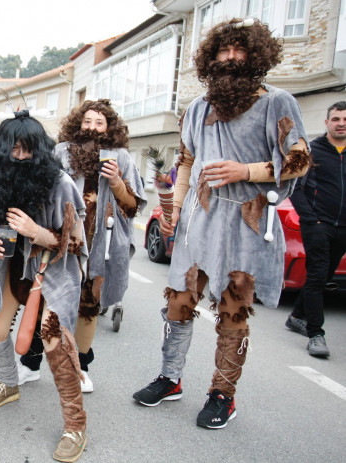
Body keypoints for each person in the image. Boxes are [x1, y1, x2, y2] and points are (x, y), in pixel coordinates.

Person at [131, 19, 310, 429]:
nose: (229, 58)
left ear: (255, 56)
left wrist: (245, 170)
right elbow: (186, 162)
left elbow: (298, 160)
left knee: (232, 310)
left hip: (246, 221)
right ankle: (170, 377)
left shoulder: (277, 102)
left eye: (238, 51)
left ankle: (222, 395)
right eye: (222, 51)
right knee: (178, 302)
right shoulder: (198, 107)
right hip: (200, 215)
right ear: (211, 58)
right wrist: (174, 210)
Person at [0, 111, 88, 462]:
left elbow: (78, 243)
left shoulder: (61, 183)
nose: (20, 158)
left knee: (53, 340)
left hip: (54, 269)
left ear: (40, 151)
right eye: (14, 150)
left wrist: (36, 232)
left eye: (28, 151)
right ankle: (9, 383)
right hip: (10, 267)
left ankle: (75, 424)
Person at [18, 100, 146, 393]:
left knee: (88, 306)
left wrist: (116, 182)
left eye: (99, 123)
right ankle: (30, 364)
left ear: (109, 128)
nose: (92, 127)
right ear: (78, 124)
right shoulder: (60, 151)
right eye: (87, 121)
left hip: (101, 245)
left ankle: (81, 368)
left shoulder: (122, 158)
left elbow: (132, 206)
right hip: (61, 242)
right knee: (46, 298)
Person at [286, 101, 346, 358]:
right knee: (318, 275)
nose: (341, 123)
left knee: (324, 276)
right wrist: (311, 220)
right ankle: (315, 333)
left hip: (343, 228)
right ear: (327, 122)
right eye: (336, 119)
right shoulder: (313, 151)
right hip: (318, 226)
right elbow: (296, 188)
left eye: (345, 119)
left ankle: (297, 315)